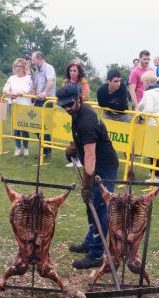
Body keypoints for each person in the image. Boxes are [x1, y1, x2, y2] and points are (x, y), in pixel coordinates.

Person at [58, 85, 120, 270]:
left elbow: (91, 155)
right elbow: (84, 143)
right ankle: (89, 242)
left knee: (99, 208)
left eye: (70, 104)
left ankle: (95, 254)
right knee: (90, 206)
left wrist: (87, 183)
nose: (67, 109)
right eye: (64, 106)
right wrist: (74, 148)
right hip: (96, 165)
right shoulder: (78, 113)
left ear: (79, 99)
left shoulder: (86, 120)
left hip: (104, 168)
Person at [137, 70, 159, 183]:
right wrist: (139, 108)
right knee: (157, 149)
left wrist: (141, 116)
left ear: (147, 82)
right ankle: (155, 172)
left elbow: (148, 109)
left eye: (143, 82)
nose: (143, 84)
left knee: (152, 150)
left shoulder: (148, 93)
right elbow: (142, 104)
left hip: (156, 124)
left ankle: (156, 176)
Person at [2, 57, 34, 156]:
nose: (18, 68)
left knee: (24, 128)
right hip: (14, 105)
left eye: (20, 66)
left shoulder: (28, 78)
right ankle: (17, 147)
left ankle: (25, 147)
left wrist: (18, 93)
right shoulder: (11, 78)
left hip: (24, 106)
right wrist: (11, 93)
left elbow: (26, 89)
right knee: (16, 127)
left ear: (24, 67)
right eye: (16, 66)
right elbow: (5, 89)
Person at [31, 50, 56, 158]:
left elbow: (50, 81)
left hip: (47, 101)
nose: (32, 61)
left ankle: (47, 151)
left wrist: (44, 92)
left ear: (40, 58)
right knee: (35, 126)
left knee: (45, 127)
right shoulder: (37, 71)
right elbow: (35, 86)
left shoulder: (48, 68)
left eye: (33, 59)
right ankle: (44, 148)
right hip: (39, 101)